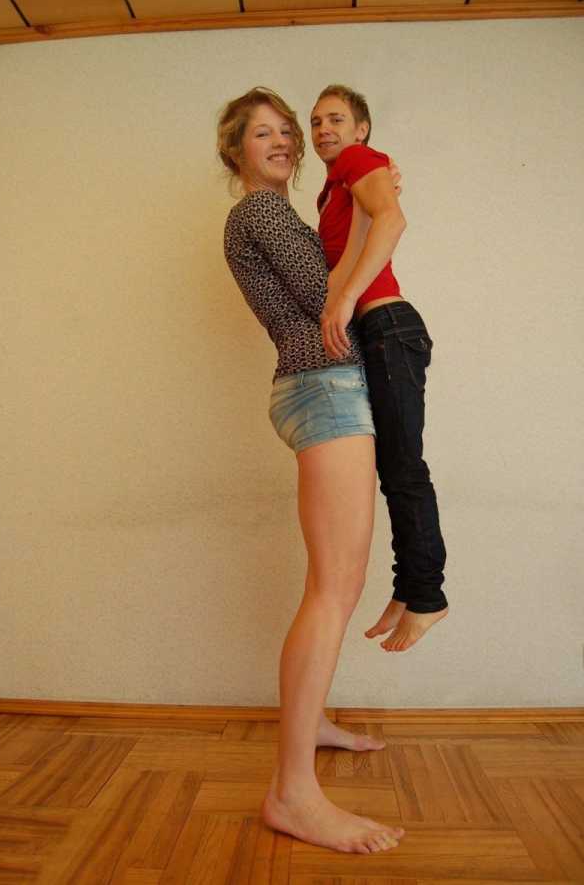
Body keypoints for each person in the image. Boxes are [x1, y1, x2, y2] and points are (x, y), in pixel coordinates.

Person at [217, 87, 405, 855]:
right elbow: (327, 296)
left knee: (332, 585)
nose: (284, 142)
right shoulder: (261, 212)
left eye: (287, 132)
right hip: (323, 388)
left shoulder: (278, 215)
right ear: (235, 150)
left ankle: (310, 721)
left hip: (320, 387)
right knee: (335, 588)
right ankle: (291, 793)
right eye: (263, 133)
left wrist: (357, 205)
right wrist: (369, 207)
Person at [310, 84, 448, 652]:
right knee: (390, 468)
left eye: (336, 119)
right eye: (316, 122)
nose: (324, 130)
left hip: (388, 326)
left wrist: (344, 300)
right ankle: (408, 586)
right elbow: (359, 239)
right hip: (377, 332)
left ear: (361, 129)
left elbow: (393, 221)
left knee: (404, 468)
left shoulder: (357, 160)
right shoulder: (335, 186)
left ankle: (428, 596)